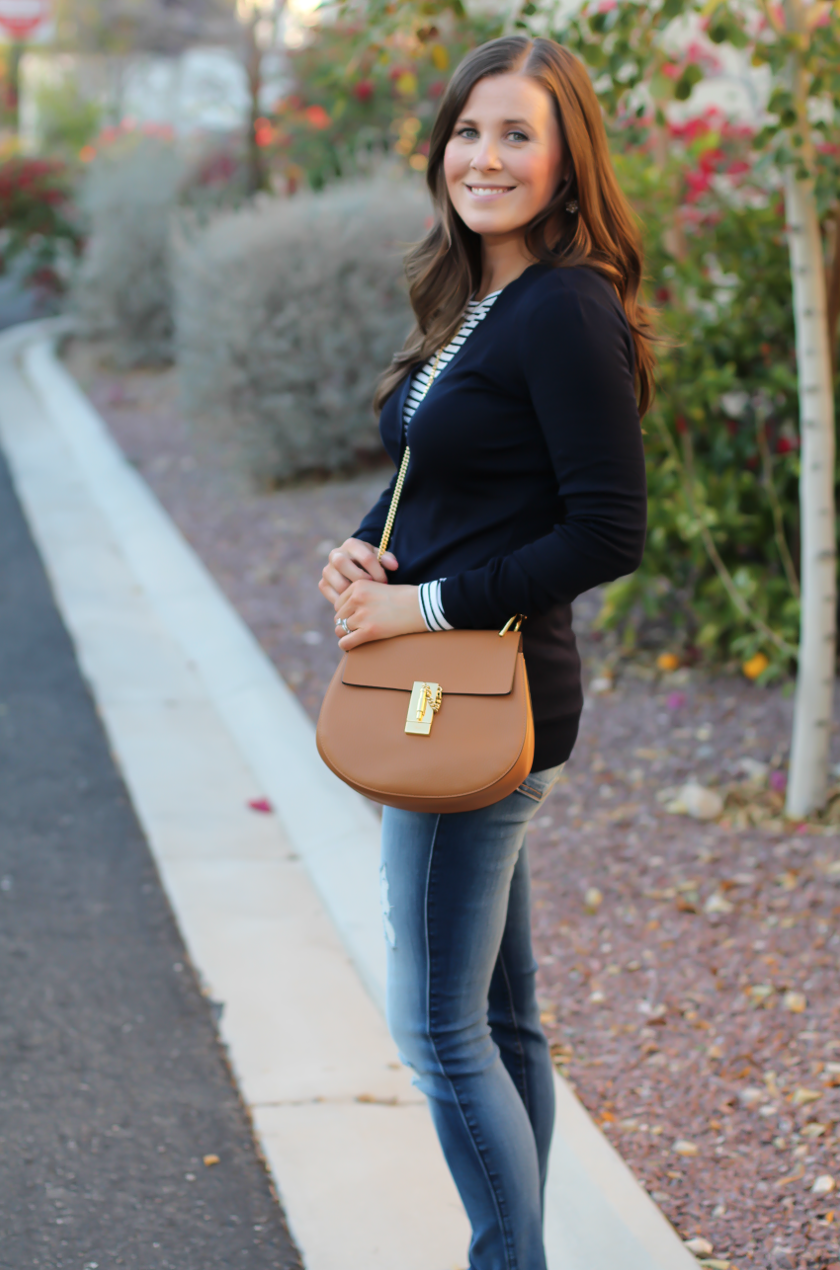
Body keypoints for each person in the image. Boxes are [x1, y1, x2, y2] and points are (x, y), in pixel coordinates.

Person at [318, 34, 652, 1270]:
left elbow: (607, 529)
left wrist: (429, 607)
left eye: (518, 133)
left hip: (474, 702)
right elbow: (442, 479)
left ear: (567, 163)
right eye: (468, 129)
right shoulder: (484, 299)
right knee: (502, 1023)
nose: (485, 155)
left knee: (439, 1030)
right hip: (462, 686)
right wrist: (362, 554)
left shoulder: (564, 305)